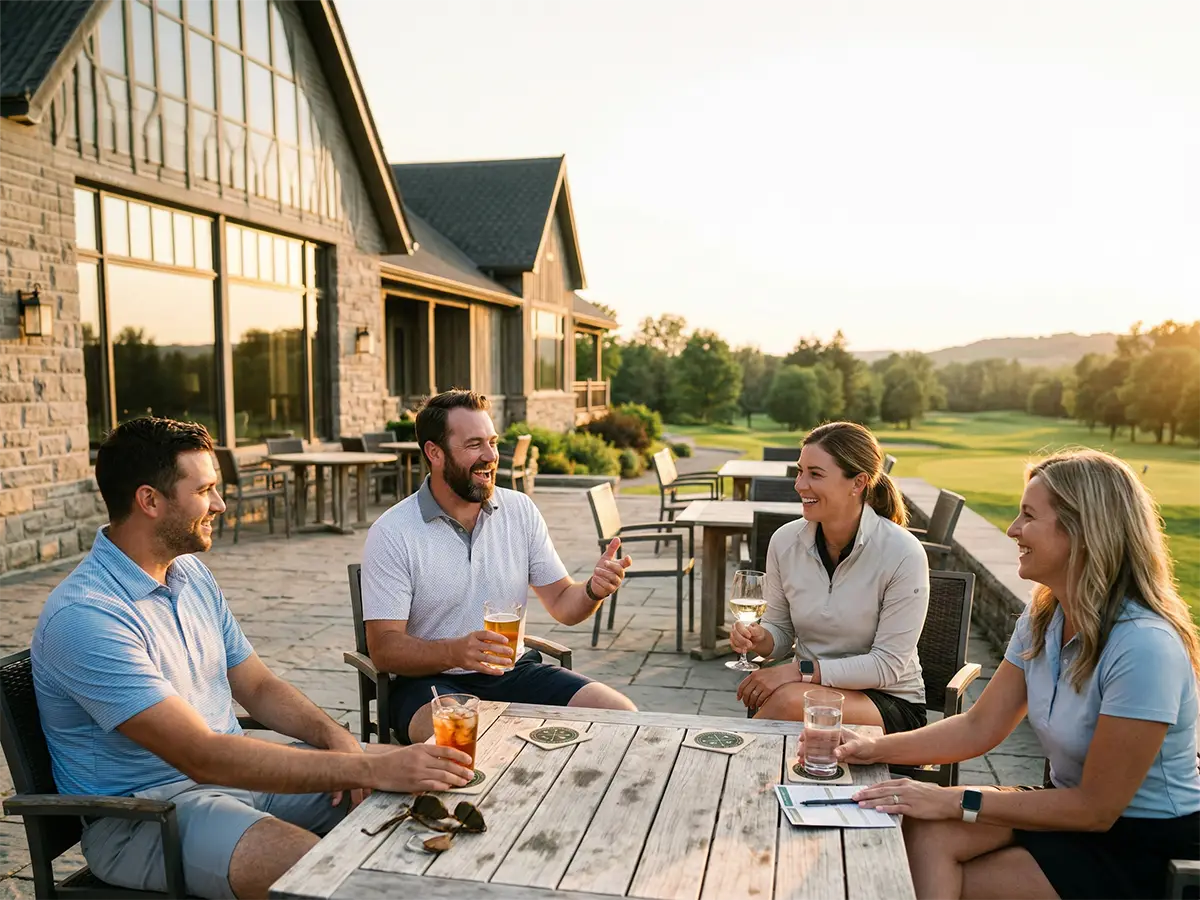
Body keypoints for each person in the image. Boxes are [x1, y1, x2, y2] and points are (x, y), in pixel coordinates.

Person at [31, 418, 474, 900]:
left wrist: (338, 741)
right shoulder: (87, 616)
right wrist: (366, 768)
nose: (220, 504)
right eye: (205, 490)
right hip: (150, 817)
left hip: (240, 781)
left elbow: (259, 687)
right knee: (325, 874)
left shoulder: (189, 575)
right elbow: (201, 755)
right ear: (150, 501)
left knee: (435, 791)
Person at [836, 450, 1200, 900]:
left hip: (1136, 840)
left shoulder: (1144, 645)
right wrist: (869, 749)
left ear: (1083, 532)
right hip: (1061, 807)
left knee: (945, 877)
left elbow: (1097, 808)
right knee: (924, 830)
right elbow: (979, 725)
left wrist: (951, 798)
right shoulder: (1045, 612)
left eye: (1028, 516)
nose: (1011, 529)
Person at [361, 389, 636, 744]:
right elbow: (384, 649)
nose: (491, 456)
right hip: (429, 686)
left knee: (623, 718)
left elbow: (564, 605)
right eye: (474, 444)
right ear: (435, 453)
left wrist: (592, 590)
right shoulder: (393, 532)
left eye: (491, 442)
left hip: (514, 672)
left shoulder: (520, 511)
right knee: (467, 742)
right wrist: (455, 651)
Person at [730, 421, 930, 734]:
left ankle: (727, 761)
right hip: (806, 688)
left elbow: (887, 666)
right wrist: (760, 638)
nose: (799, 484)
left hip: (887, 700)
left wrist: (798, 672)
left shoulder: (903, 553)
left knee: (786, 703)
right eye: (800, 471)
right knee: (787, 699)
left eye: (815, 474)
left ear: (858, 482)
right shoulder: (784, 542)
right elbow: (781, 632)